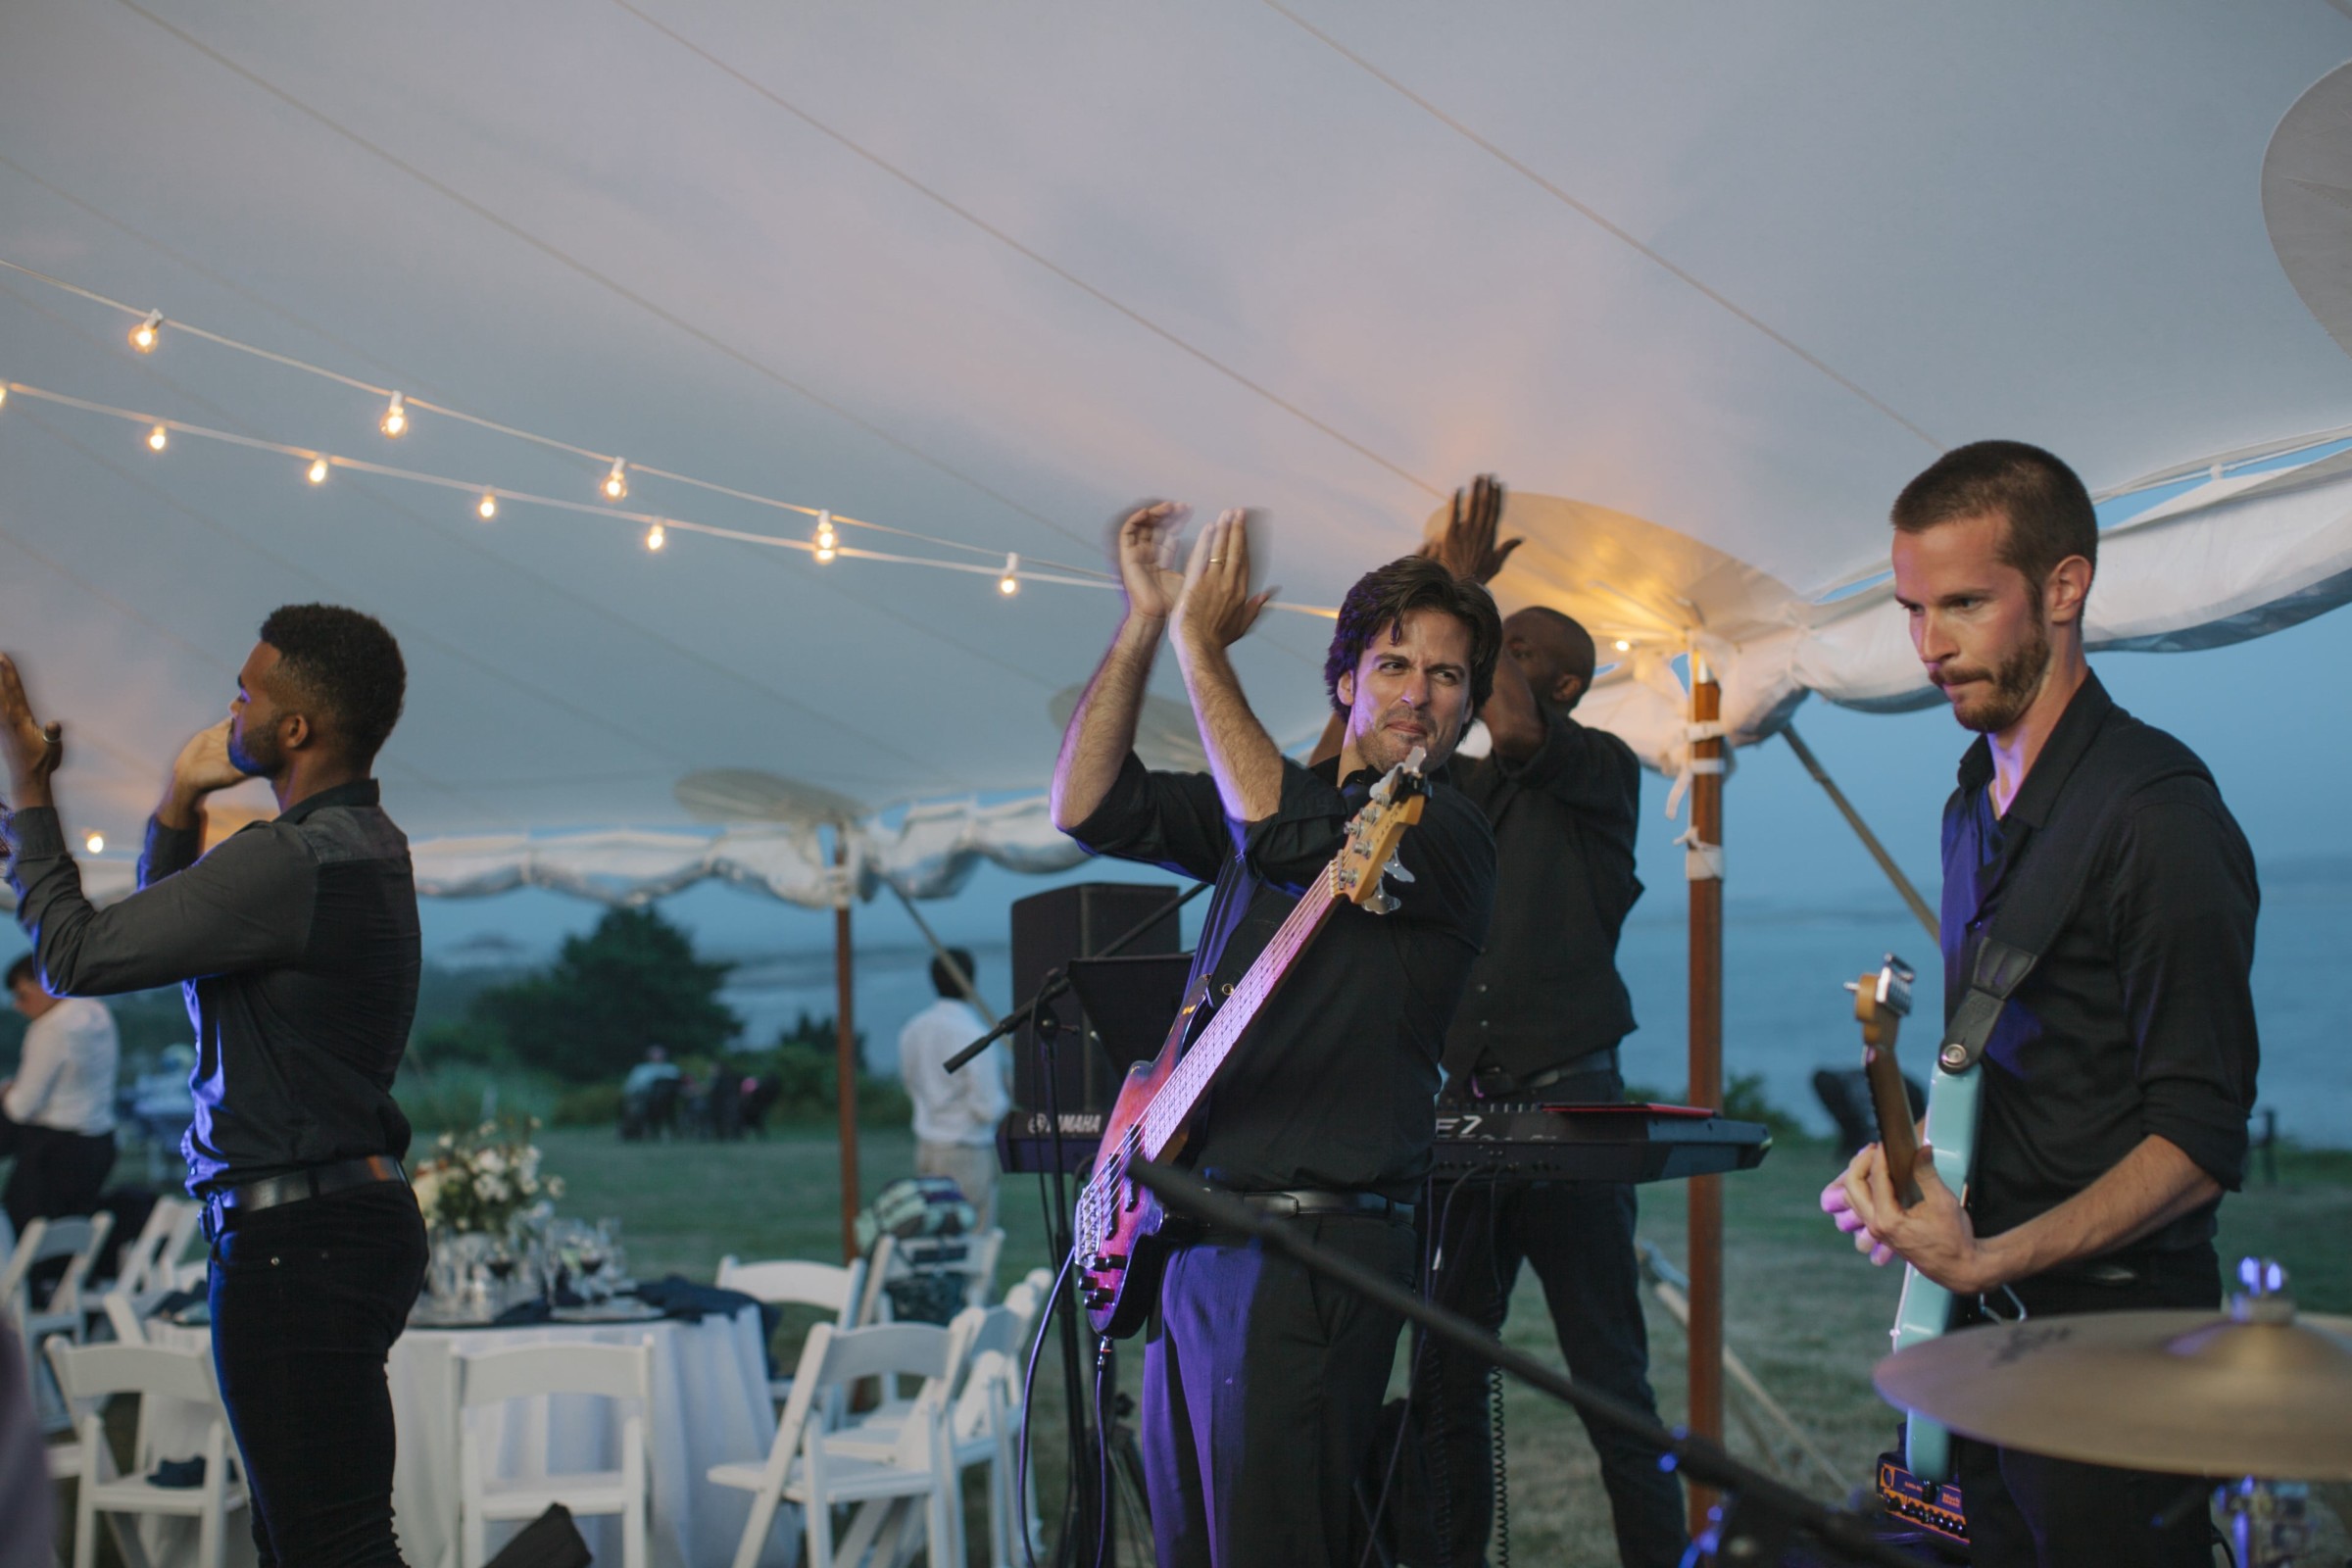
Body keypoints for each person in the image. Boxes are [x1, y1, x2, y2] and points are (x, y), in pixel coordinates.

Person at [1822, 441, 2258, 1568]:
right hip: (1982, 1332)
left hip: (2119, 1341)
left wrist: (1990, 1259)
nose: (1931, 645)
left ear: (2065, 588)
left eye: (1965, 603)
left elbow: (2200, 1137)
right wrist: (1905, 1167)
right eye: (1915, 608)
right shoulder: (1972, 802)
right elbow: (2012, 1073)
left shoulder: (2157, 815)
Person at [1053, 503, 1498, 1568]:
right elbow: (1087, 801)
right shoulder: (1273, 808)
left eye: (1447, 677)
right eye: (1395, 665)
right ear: (1346, 680)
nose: (1419, 695)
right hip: (1190, 1239)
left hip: (1316, 1248)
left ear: (1472, 704)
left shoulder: (1449, 834)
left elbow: (1294, 834)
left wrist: (1205, 646)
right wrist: (1149, 620)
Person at [2, 604, 428, 1568]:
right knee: (310, 1543)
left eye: (246, 689)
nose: (227, 702)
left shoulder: (290, 861)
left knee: (333, 1550)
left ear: (293, 730)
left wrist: (30, 782)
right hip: (338, 1225)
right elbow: (175, 931)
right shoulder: (360, 842)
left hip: (300, 1241)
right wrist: (177, 801)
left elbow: (73, 952)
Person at [1398, 477, 1685, 1567]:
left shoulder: (1598, 770)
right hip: (1465, 1120)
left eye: (1502, 644)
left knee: (1610, 1380)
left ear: (1561, 681)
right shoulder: (1460, 792)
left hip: (1571, 1107)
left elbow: (1511, 717)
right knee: (1444, 1372)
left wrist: (1465, 584)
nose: (1481, 657)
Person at [1, 953, 121, 1233]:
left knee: (27, 1236)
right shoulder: (97, 1012)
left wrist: (9, 1091)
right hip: (98, 1143)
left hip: (54, 1152)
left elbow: (22, 1106)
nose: (19, 1006)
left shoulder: (51, 1027)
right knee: (71, 1236)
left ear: (44, 984)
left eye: (22, 994)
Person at [897, 947, 1009, 1234]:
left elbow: (910, 1082)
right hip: (966, 1150)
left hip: (927, 1146)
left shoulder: (913, 1028)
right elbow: (987, 1107)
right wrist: (1006, 1093)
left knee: (935, 1240)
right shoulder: (971, 1034)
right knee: (973, 1243)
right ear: (970, 981)